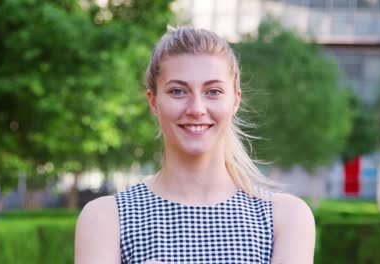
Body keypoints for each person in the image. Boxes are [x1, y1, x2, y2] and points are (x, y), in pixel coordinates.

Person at [75, 26, 315, 264]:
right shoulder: (105, 218)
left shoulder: (286, 217)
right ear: (153, 101)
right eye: (178, 91)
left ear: (235, 101)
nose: (197, 109)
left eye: (213, 91)